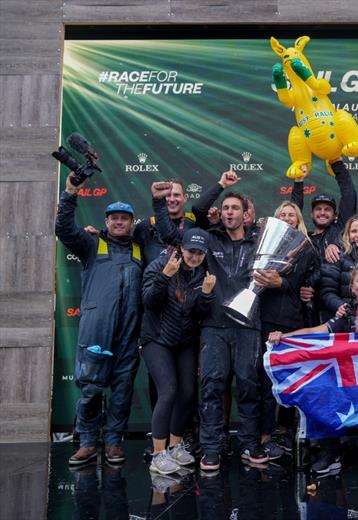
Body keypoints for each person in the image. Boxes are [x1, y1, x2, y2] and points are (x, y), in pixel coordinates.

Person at [155, 170, 271, 471]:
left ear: (246, 214)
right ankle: (211, 448)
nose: (230, 212)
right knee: (212, 386)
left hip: (248, 326)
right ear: (221, 213)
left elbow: (286, 268)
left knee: (248, 386)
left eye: (236, 208)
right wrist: (221, 186)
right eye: (227, 208)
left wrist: (277, 280)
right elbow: (195, 211)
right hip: (213, 326)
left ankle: (248, 443)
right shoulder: (207, 239)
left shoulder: (260, 243)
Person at [268, 258, 358, 474]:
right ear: (352, 287)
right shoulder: (347, 312)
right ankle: (331, 453)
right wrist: (286, 337)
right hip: (351, 382)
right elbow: (317, 331)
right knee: (323, 390)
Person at [56, 173, 143, 466]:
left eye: (124, 218)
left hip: (128, 335)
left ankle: (114, 442)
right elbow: (64, 229)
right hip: (95, 332)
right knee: (91, 390)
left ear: (132, 223)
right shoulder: (92, 245)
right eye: (113, 218)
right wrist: (70, 192)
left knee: (122, 391)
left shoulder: (140, 251)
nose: (119, 222)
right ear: (106, 222)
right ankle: (88, 442)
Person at [140, 227, 216, 475]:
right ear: (181, 249)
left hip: (184, 340)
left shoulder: (201, 274)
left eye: (200, 253)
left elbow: (200, 314)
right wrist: (164, 276)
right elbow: (148, 302)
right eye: (191, 251)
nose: (194, 257)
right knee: (168, 391)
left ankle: (175, 446)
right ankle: (158, 454)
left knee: (186, 392)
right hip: (156, 339)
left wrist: (205, 295)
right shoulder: (159, 265)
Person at [256, 200, 319, 458]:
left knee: (288, 381)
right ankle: (263, 437)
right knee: (265, 382)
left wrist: (281, 282)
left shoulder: (306, 248)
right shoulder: (262, 242)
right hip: (264, 318)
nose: (287, 218)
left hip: (291, 321)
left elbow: (300, 282)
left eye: (292, 215)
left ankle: (285, 431)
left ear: (298, 220)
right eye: (282, 214)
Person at [320, 215, 358, 317]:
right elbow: (327, 292)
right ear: (347, 235)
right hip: (345, 316)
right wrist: (341, 306)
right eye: (354, 231)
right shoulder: (336, 256)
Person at [134, 179, 196, 265]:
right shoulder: (144, 227)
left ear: (184, 198)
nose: (171, 199)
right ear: (161, 197)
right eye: (167, 195)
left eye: (176, 195)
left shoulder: (194, 226)